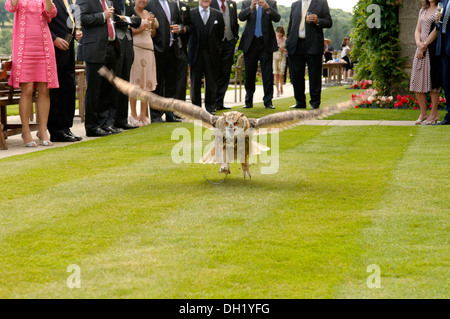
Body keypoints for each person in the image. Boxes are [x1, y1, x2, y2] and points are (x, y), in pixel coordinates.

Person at [6, 0, 58, 147]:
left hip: (44, 45)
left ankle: (42, 130)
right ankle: (25, 130)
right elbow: (11, 6)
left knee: (44, 89)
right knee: (27, 88)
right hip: (23, 46)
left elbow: (51, 12)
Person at [145, 0, 189, 123]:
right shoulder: (150, 4)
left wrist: (179, 28)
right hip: (157, 48)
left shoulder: (173, 5)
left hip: (173, 48)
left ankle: (170, 114)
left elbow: (180, 23)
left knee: (171, 85)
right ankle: (156, 115)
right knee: (156, 84)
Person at [286, 0, 332, 110]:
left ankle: (315, 103)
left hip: (313, 45)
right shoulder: (295, 5)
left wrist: (318, 20)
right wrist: (288, 41)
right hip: (295, 45)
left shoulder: (321, 3)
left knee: (314, 76)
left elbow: (329, 22)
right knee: (296, 76)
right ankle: (300, 101)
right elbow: (291, 24)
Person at [48, 0, 83, 143]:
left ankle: (66, 127)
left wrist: (76, 32)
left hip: (68, 48)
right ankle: (56, 130)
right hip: (53, 48)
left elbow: (70, 19)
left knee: (68, 89)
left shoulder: (69, 1)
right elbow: (41, 24)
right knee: (56, 91)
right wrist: (54, 39)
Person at [238, 0, 280, 110]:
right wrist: (251, 7)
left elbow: (277, 18)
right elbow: (241, 17)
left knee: (267, 74)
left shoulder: (271, 2)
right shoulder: (246, 3)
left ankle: (268, 101)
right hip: (250, 43)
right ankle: (248, 101)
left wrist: (267, 7)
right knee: (249, 74)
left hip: (265, 43)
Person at [112, 0, 146, 130]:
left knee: (125, 81)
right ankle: (113, 120)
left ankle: (122, 119)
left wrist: (125, 19)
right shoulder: (112, 2)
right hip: (117, 42)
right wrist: (129, 20)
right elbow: (114, 19)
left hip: (128, 42)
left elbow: (137, 20)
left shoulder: (128, 2)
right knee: (117, 80)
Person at [188, 0, 224, 115]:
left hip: (211, 54)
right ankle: (196, 109)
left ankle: (210, 107)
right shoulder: (191, 13)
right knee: (195, 81)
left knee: (211, 81)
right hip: (196, 53)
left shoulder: (218, 14)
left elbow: (220, 35)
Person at [410, 0, 442, 125]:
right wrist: (419, 43)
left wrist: (425, 45)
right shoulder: (422, 10)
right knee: (416, 80)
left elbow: (437, 29)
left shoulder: (440, 8)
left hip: (432, 49)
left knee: (433, 81)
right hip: (420, 49)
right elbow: (418, 29)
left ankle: (434, 114)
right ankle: (423, 113)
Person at [128, 0, 158, 126]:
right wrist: (141, 28)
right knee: (135, 83)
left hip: (149, 50)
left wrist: (150, 27)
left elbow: (152, 34)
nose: (142, 1)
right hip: (136, 49)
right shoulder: (131, 14)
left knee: (147, 83)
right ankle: (133, 115)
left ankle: (143, 115)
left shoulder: (148, 13)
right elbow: (129, 31)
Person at [211, 0, 239, 111]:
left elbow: (234, 22)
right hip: (216, 43)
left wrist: (235, 38)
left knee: (225, 73)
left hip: (229, 42)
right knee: (214, 73)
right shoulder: (211, 3)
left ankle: (219, 102)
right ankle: (212, 103)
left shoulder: (232, 4)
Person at [435, 0, 450, 125]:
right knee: (446, 82)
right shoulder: (443, 2)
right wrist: (437, 20)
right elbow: (440, 26)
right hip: (444, 48)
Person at [174, 0, 191, 103]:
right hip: (165, 49)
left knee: (181, 81)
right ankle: (165, 109)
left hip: (181, 49)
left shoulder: (185, 7)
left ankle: (180, 109)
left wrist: (183, 29)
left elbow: (190, 27)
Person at [273, 25, 287, 97]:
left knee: (281, 74)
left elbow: (288, 50)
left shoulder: (285, 40)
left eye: (280, 32)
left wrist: (283, 49)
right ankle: (277, 90)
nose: (278, 34)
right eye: (277, 32)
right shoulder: (274, 39)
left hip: (282, 58)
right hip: (274, 58)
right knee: (275, 74)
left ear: (282, 33)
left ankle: (281, 85)